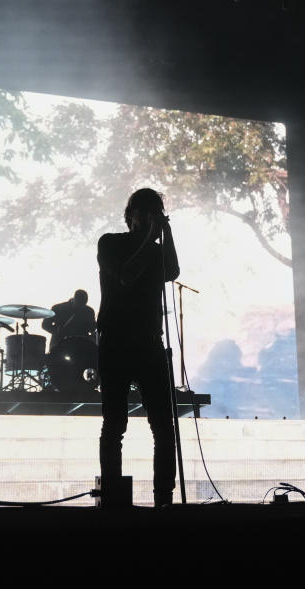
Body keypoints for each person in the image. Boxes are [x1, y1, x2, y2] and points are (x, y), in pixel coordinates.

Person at [96, 188, 179, 507]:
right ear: (131, 215)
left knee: (163, 425)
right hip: (116, 341)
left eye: (157, 211)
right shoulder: (110, 243)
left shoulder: (157, 250)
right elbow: (127, 276)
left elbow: (172, 272)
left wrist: (166, 234)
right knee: (115, 423)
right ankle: (113, 498)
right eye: (146, 211)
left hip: (149, 342)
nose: (151, 217)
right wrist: (150, 239)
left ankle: (164, 498)